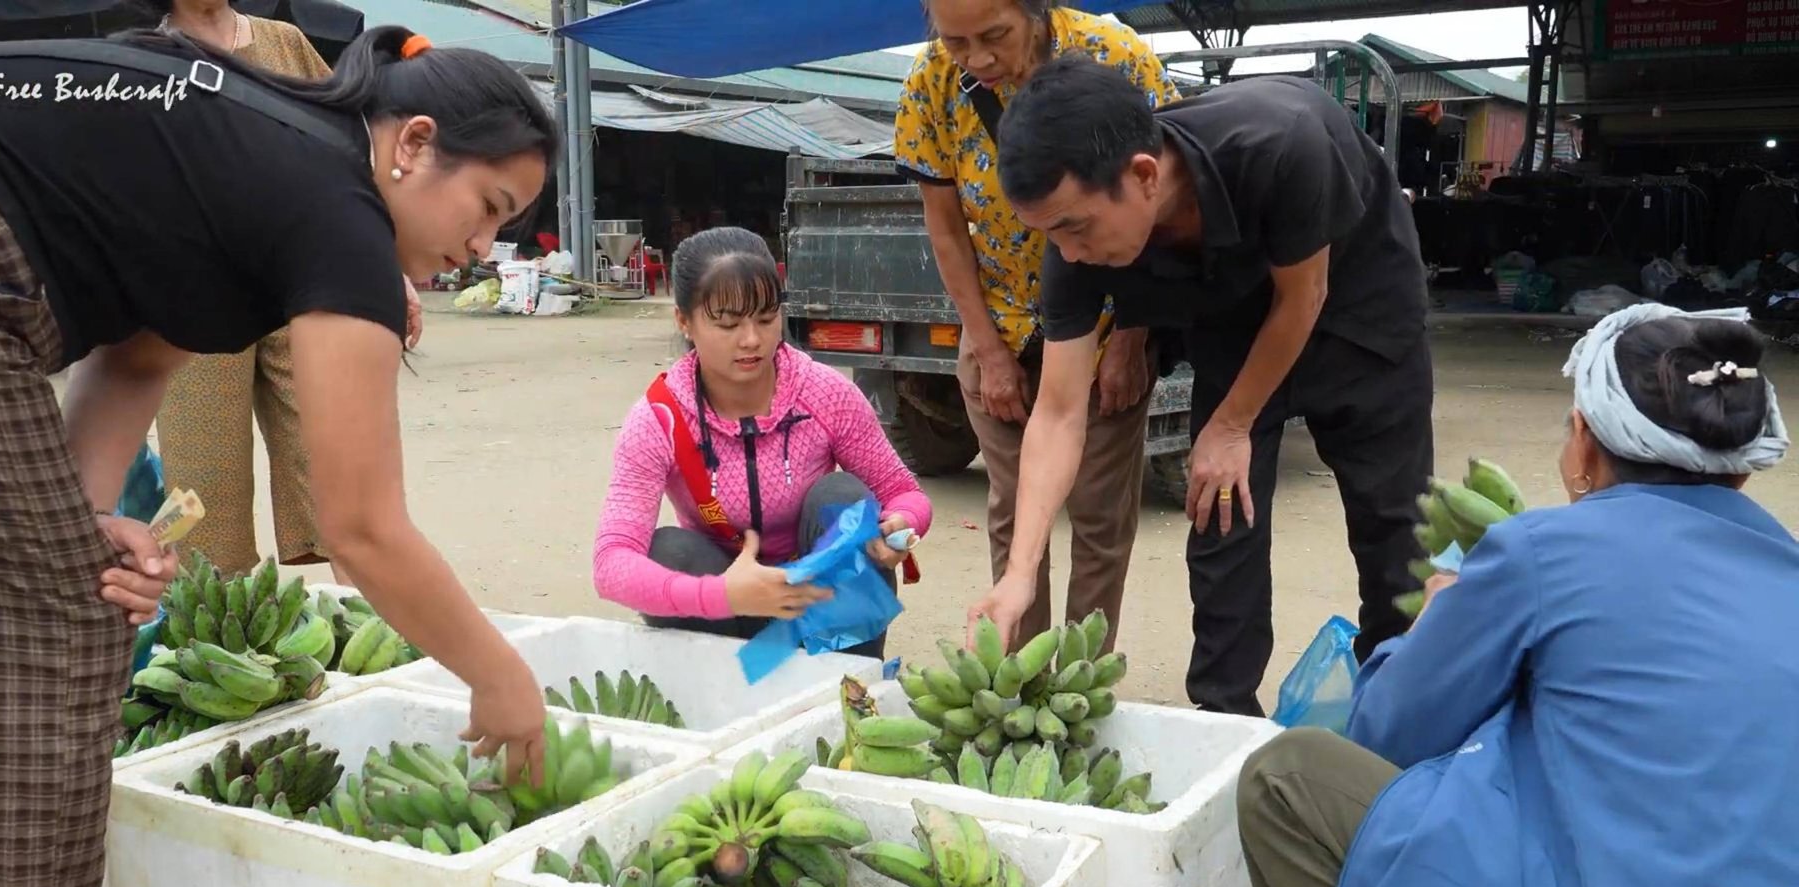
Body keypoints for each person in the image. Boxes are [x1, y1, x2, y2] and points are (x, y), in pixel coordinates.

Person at [0, 25, 555, 887]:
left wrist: (84, 518)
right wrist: (500, 678)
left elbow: (137, 360)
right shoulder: (339, 215)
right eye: (490, 210)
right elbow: (361, 527)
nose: (483, 248)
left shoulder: (267, 153)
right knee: (64, 614)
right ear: (412, 145)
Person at [1238, 307, 1799, 887]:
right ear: (1741, 467)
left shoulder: (1541, 551)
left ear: (1583, 444)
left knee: (1286, 778)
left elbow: (1386, 738)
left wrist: (1431, 626)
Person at [967, 54, 1436, 717]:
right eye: (1050, 235)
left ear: (1144, 176)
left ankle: (1403, 712)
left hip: (1358, 313)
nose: (1068, 254)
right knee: (1221, 528)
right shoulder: (1073, 242)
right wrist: (1019, 573)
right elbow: (1059, 411)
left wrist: (1234, 422)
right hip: (1238, 328)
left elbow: (1305, 297)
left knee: (1396, 530)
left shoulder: (1280, 143)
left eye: (1075, 228)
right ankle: (1224, 724)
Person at [894, 0, 1179, 655]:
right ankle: (1018, 677)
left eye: (995, 36)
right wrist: (989, 352)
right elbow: (945, 229)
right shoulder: (932, 82)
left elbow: (1153, 204)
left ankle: (1080, 683)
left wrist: (1133, 337)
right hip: (998, 321)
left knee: (1101, 514)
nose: (978, 60)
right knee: (1013, 508)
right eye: (958, 42)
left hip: (1105, 325)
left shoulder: (1117, 57)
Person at [145, 0, 425, 582]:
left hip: (303, 282)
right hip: (194, 298)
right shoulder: (145, 61)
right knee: (199, 487)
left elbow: (347, 157)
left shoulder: (286, 44)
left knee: (339, 458)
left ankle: (370, 624)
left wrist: (386, 268)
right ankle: (213, 637)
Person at [593, 226, 932, 658]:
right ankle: (728, 686)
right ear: (685, 321)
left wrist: (901, 523)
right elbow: (611, 564)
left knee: (843, 498)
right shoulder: (660, 420)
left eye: (767, 318)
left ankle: (847, 679)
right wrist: (722, 595)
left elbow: (904, 493)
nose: (752, 340)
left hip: (821, 602)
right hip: (724, 611)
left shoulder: (825, 394)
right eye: (728, 323)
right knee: (666, 551)